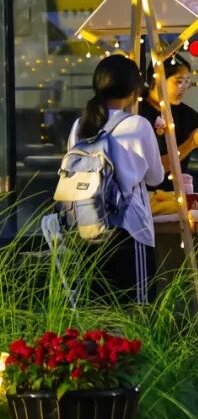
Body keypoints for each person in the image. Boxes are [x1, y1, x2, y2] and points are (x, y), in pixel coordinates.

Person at [68, 55, 163, 303]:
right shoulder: (138, 125)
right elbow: (156, 177)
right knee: (137, 309)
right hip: (129, 228)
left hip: (87, 225)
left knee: (96, 310)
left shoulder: (79, 126)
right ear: (133, 91)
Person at [139, 54, 198, 195]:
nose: (184, 87)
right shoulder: (138, 113)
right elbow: (153, 169)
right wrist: (192, 143)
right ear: (158, 79)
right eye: (179, 81)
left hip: (178, 194)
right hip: (146, 197)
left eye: (187, 81)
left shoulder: (184, 112)